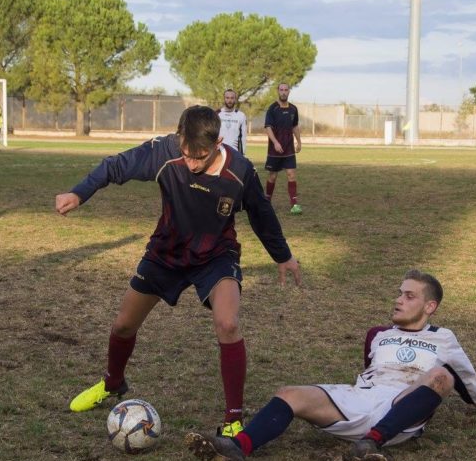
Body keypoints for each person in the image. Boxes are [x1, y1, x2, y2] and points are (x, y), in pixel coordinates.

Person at [56, 105, 302, 438]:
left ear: (217, 143)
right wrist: (79, 192)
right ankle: (113, 384)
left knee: (227, 323)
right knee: (124, 324)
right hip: (166, 252)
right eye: (186, 154)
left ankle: (233, 421)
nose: (191, 163)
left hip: (216, 255)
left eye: (199, 157)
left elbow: (262, 214)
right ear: (179, 138)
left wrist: (282, 255)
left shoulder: (240, 171)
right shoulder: (165, 152)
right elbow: (116, 166)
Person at [186, 269, 476, 461]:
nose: (399, 300)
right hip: (362, 398)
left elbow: (465, 377)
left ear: (429, 306)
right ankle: (239, 447)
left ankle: (370, 445)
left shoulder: (443, 338)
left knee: (442, 376)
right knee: (289, 394)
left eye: (409, 295)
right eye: (399, 293)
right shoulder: (378, 335)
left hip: (403, 408)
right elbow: (368, 372)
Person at [264, 83, 302, 214]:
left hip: (289, 149)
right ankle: (267, 202)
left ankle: (294, 204)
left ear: (289, 92)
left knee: (291, 175)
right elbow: (268, 127)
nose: (284, 92)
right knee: (272, 176)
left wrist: (299, 142)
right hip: (275, 149)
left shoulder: (293, 109)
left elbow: (295, 127)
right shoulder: (272, 109)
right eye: (281, 90)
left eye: (286, 90)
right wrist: (275, 142)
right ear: (278, 91)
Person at [217, 89, 248, 154]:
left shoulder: (241, 115)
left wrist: (242, 154)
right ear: (224, 99)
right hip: (219, 152)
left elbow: (243, 138)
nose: (229, 100)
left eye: (232, 98)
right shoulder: (217, 114)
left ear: (235, 100)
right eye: (227, 98)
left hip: (235, 153)